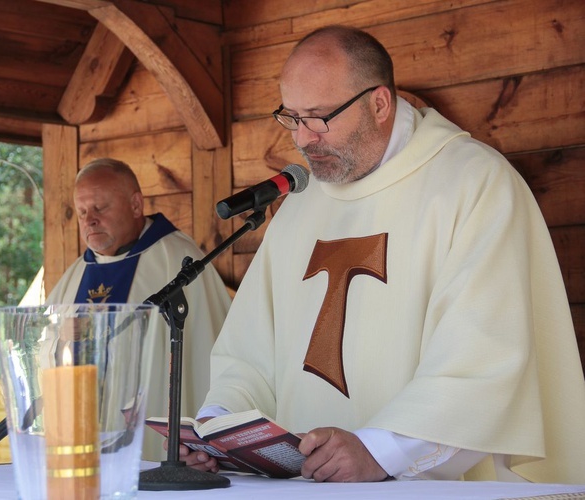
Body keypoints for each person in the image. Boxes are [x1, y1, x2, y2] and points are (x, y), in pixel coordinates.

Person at [183, 25, 585, 483]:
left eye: (318, 116)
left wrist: (379, 450)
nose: (303, 139)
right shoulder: (299, 206)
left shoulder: (473, 185)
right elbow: (249, 353)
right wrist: (219, 426)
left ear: (379, 104)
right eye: (291, 117)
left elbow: (482, 361)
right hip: (303, 488)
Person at [45, 157, 232, 461]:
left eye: (100, 208)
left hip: (151, 451)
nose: (89, 220)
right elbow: (43, 350)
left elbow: (209, 354)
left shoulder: (179, 263)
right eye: (82, 211)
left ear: (135, 205)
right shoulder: (75, 275)